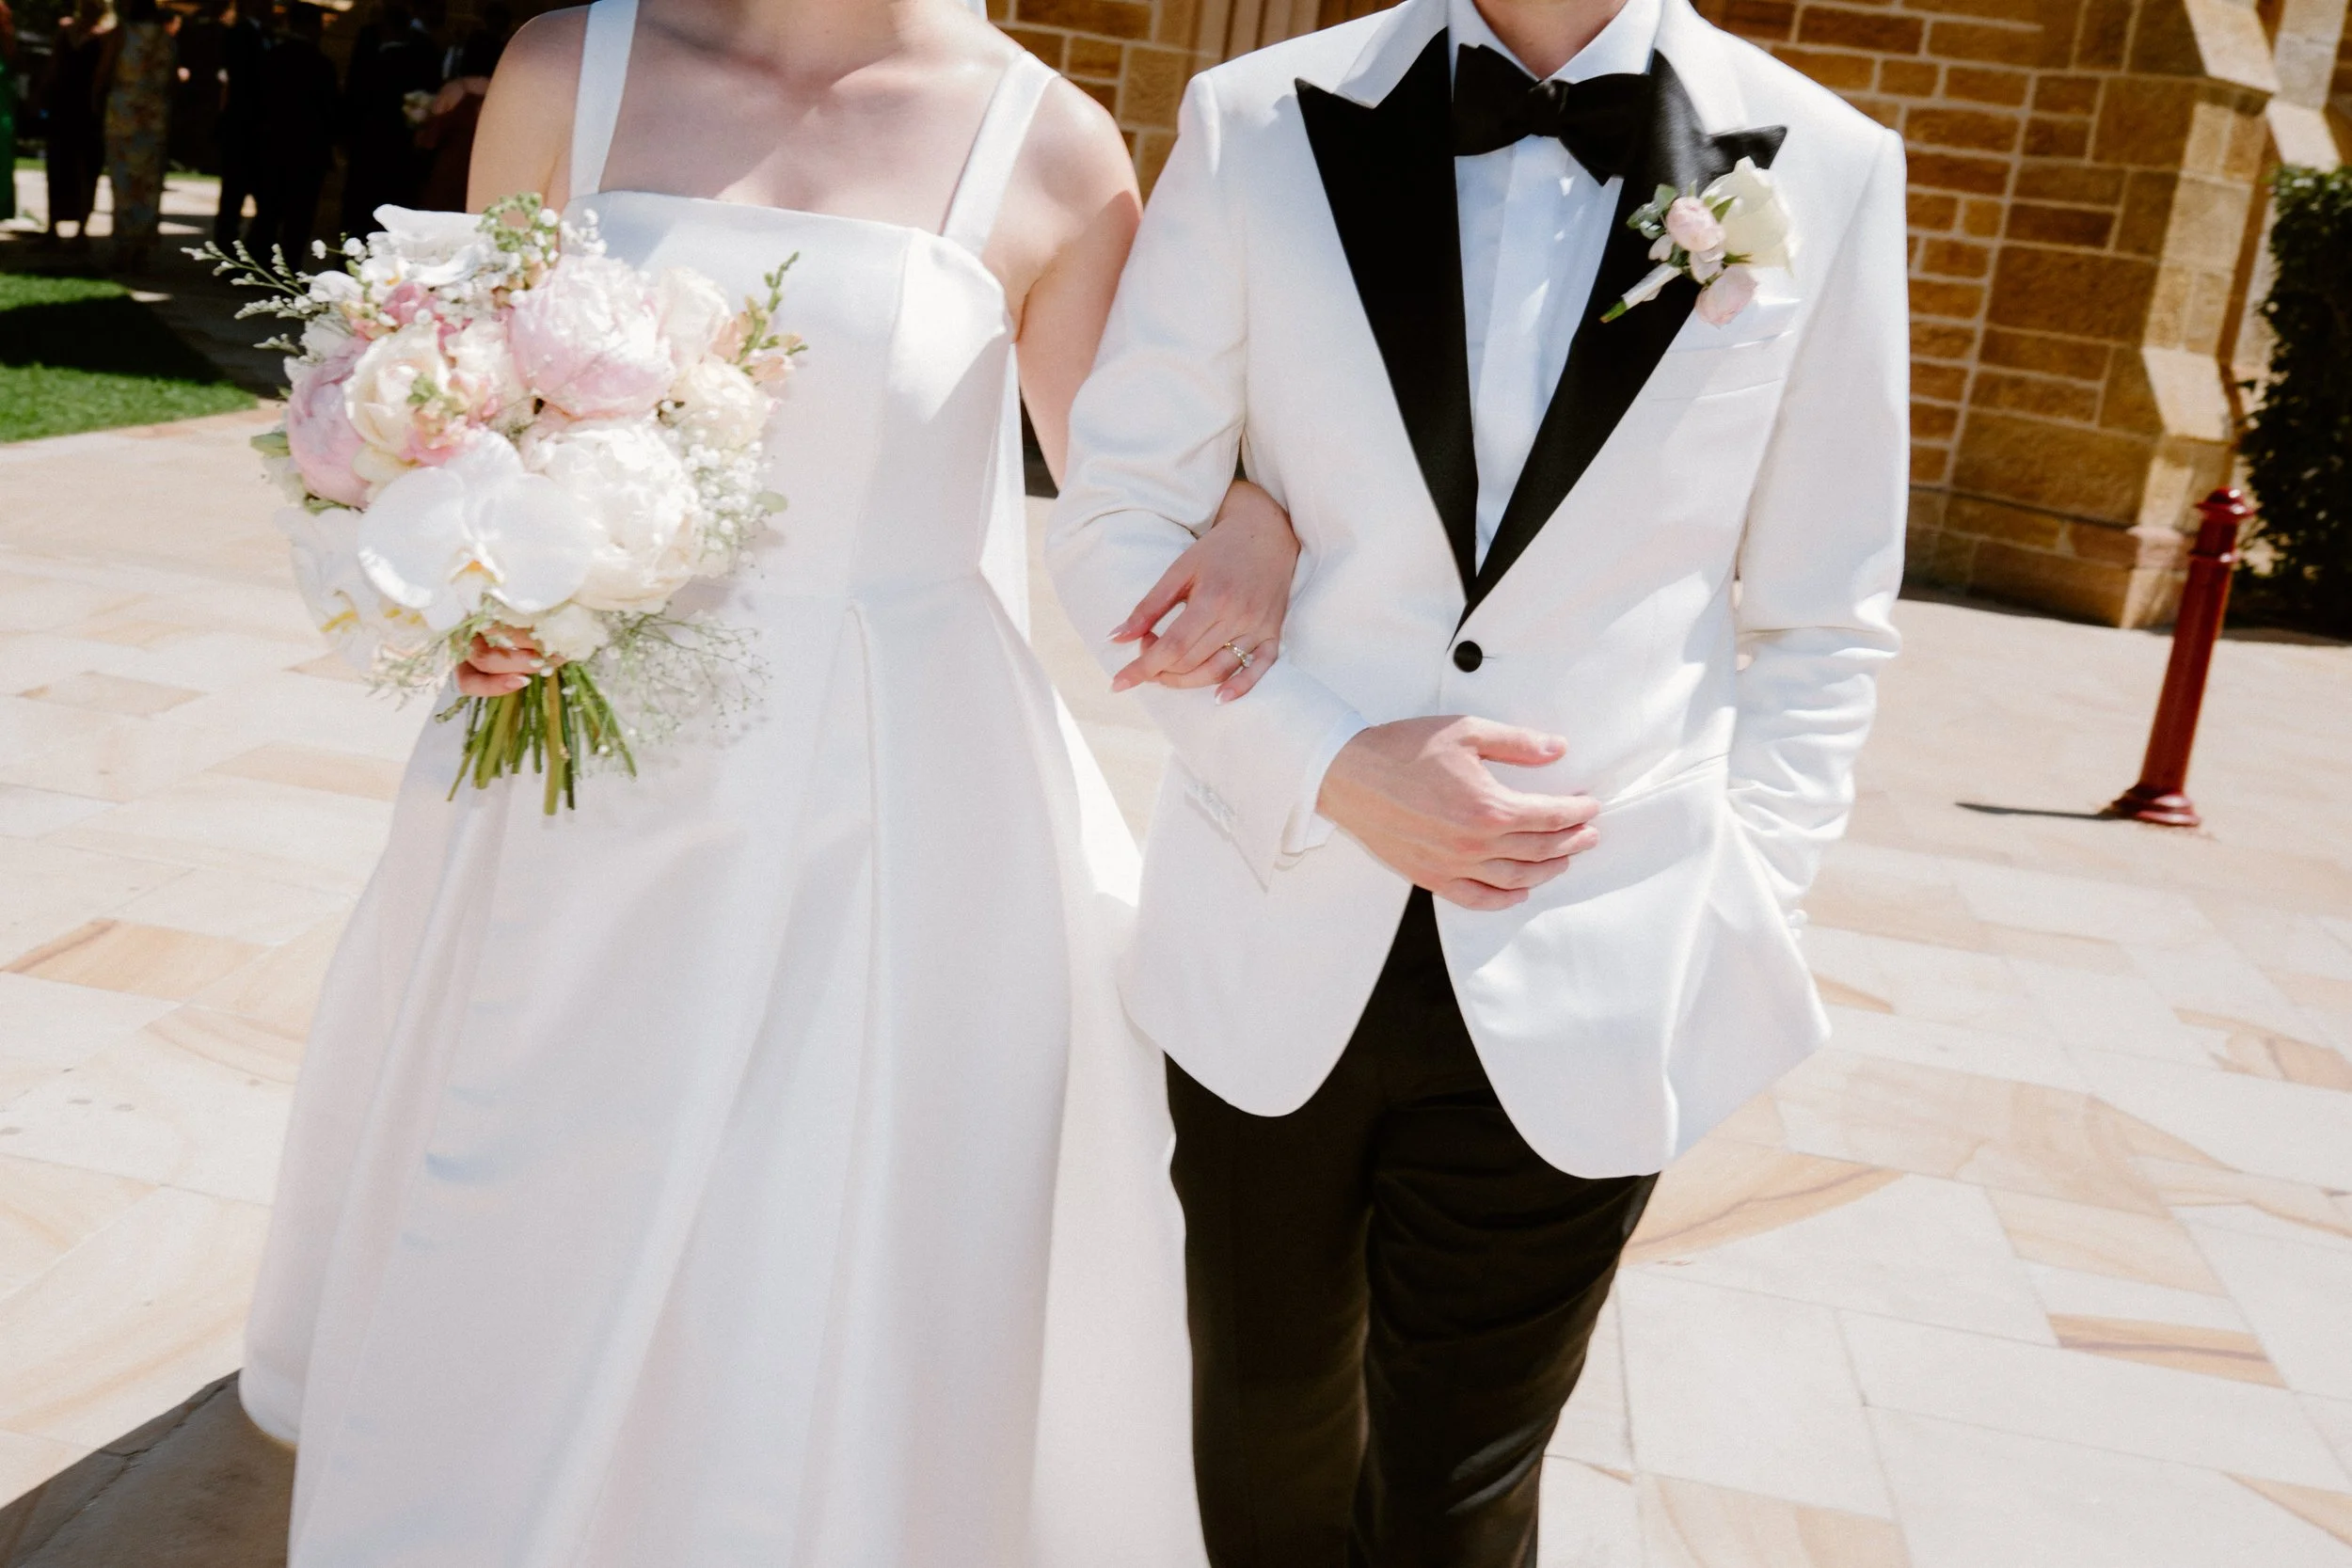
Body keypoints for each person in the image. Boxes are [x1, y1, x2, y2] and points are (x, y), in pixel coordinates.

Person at [238, 0, 1301, 1560]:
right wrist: (460, 576)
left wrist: (1257, 518)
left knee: (802, 1237)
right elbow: (454, 400)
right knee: (532, 1203)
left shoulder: (1051, 147)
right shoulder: (566, 68)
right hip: (571, 765)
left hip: (892, 799)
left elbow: (1130, 501)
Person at [1048, 0, 1909, 1555]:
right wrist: (1324, 762)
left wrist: (1737, 907)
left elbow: (1824, 614)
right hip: (1272, 913)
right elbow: (1116, 520)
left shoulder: (1831, 166)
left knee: (1458, 1501)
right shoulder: (1261, 121)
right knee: (1262, 1454)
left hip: (1599, 939)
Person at [336, 0, 437, 231]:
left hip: (382, 146)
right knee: (372, 211)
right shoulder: (375, 42)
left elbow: (353, 94)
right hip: (381, 146)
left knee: (368, 211)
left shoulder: (416, 50)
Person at [246, 1, 337, 256]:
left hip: (270, 145)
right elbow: (330, 110)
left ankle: (257, 264)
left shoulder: (271, 57)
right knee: (299, 218)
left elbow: (256, 102)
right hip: (307, 151)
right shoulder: (321, 64)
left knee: (267, 213)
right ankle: (289, 270)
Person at [93, 0, 172, 269]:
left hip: (124, 113)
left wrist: (95, 98)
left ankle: (125, 245)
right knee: (148, 183)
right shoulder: (166, 37)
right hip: (154, 115)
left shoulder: (122, 33)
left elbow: (104, 70)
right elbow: (173, 76)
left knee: (124, 182)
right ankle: (142, 246)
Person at [37, 0, 107, 249]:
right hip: (62, 106)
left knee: (87, 170)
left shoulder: (106, 37)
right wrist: (43, 95)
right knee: (57, 166)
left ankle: (81, 231)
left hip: (89, 110)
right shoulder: (65, 31)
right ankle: (52, 227)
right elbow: (54, 64)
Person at [411, 23, 500, 211]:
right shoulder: (504, 92)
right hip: (486, 173)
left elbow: (430, 138)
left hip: (449, 170)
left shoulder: (454, 89)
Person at [213, 0, 267, 243]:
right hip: (241, 125)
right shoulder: (238, 34)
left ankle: (246, 246)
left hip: (258, 127)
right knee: (233, 194)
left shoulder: (265, 33)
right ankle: (226, 247)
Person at [169, 0, 227, 171]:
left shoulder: (190, 26)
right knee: (203, 122)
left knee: (191, 119)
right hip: (208, 82)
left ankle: (187, 158)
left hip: (192, 80)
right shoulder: (219, 31)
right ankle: (200, 160)